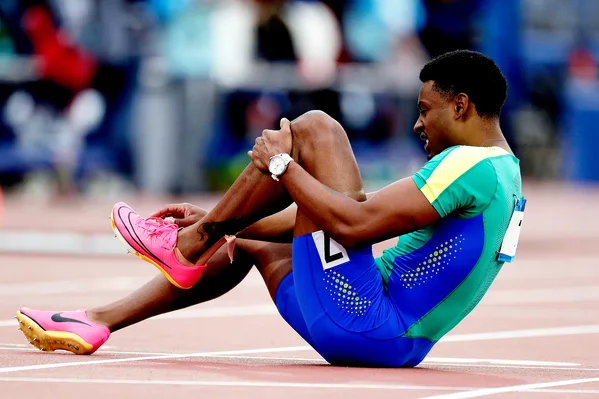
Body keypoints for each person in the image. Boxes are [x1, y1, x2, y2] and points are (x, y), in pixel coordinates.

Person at [15, 50, 525, 367]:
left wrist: (282, 165)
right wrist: (229, 223)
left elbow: (353, 224)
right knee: (249, 241)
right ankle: (100, 318)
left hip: (365, 318)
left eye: (424, 110)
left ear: (460, 106)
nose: (418, 126)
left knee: (318, 129)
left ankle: (190, 245)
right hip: (383, 334)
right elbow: (363, 207)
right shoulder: (502, 172)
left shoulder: (468, 164)